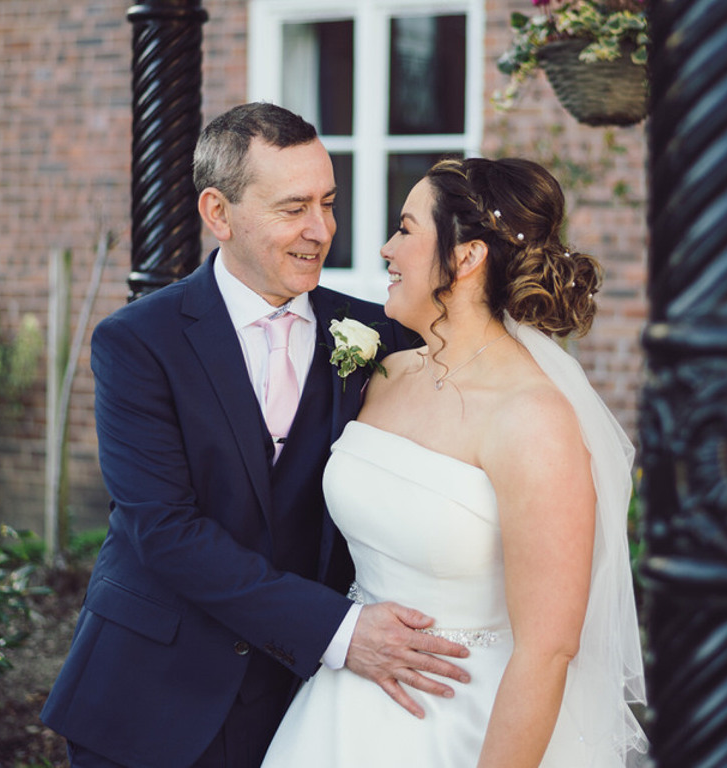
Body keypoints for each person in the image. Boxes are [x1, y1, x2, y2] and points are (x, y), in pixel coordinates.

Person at [40, 103, 471, 768]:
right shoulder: (136, 343)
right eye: (293, 207)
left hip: (305, 708)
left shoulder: (382, 337)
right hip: (149, 694)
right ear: (219, 213)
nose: (321, 230)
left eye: (328, 202)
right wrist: (340, 631)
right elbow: (164, 530)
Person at [261, 156, 648, 768]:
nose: (387, 248)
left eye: (407, 229)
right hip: (341, 701)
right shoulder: (387, 372)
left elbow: (548, 648)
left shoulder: (533, 418)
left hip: (463, 722)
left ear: (466, 258)